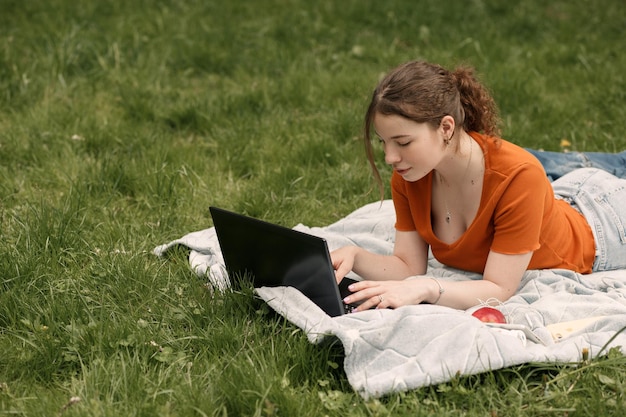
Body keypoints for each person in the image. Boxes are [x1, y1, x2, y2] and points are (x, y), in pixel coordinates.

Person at [331, 60, 626, 312]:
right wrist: (356, 256)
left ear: (446, 127)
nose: (390, 157)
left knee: (531, 166)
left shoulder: (519, 177)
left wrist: (429, 288)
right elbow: (408, 268)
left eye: (403, 142)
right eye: (384, 142)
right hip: (561, 193)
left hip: (606, 226)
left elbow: (498, 288)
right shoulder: (410, 174)